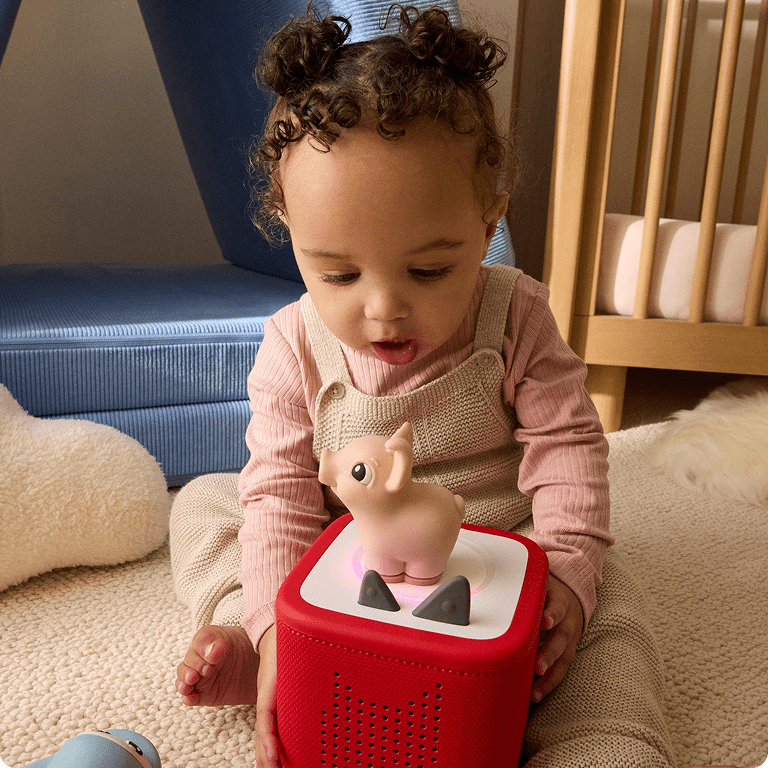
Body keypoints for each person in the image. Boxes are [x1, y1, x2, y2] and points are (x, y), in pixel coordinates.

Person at [170, 4, 685, 767]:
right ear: (288, 228)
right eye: (338, 274)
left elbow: (570, 447)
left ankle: (603, 741)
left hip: (500, 559)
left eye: (429, 269)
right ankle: (264, 649)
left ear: (487, 227)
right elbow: (280, 493)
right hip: (346, 564)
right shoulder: (291, 343)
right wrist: (277, 624)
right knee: (210, 504)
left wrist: (568, 572)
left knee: (611, 607)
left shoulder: (516, 314)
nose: (383, 309)